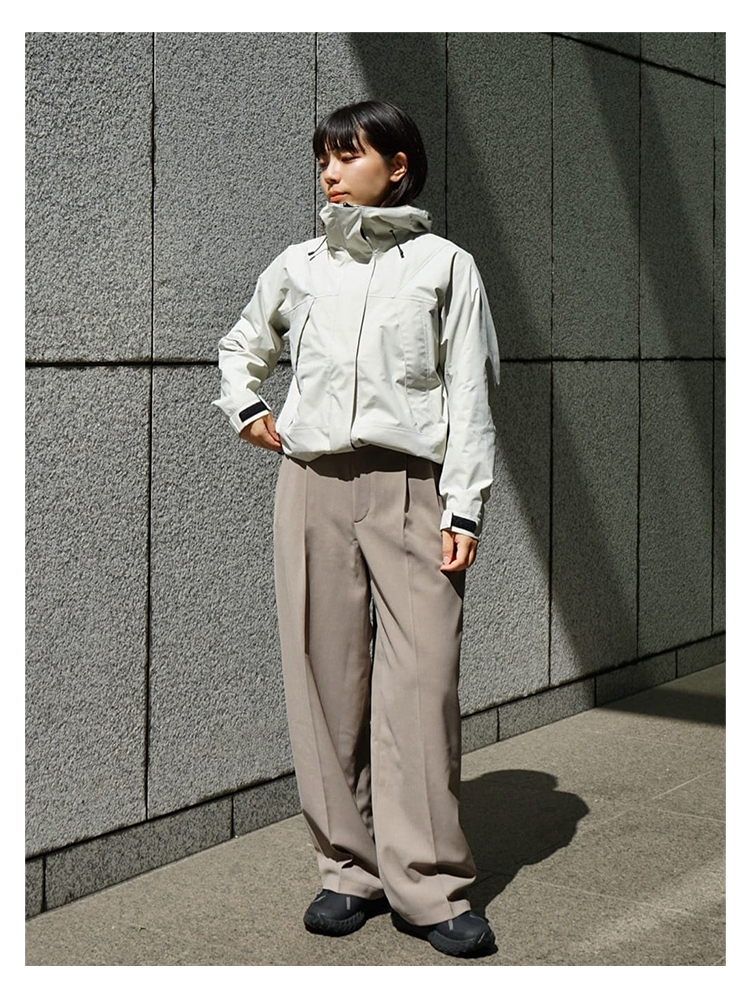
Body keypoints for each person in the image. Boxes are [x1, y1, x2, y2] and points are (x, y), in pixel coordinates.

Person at [213, 99, 501, 959]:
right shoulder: (299, 265)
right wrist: (249, 409)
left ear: (397, 166)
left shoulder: (446, 266)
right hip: (312, 486)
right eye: (324, 158)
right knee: (325, 679)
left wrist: (465, 504)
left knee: (422, 682)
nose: (330, 171)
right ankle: (348, 869)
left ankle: (430, 883)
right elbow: (240, 347)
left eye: (348, 155)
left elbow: (471, 393)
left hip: (412, 487)